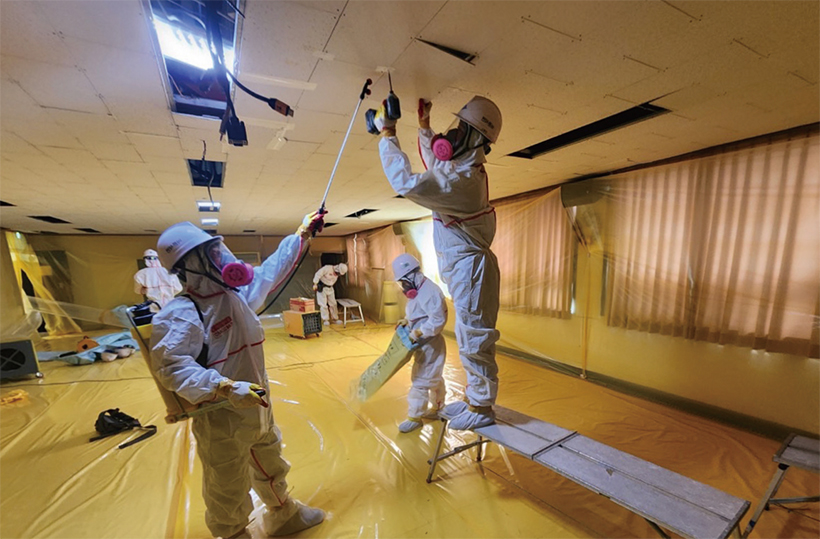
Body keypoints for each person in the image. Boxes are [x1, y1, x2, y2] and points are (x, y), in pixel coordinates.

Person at [150, 211, 326, 539]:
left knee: (270, 458)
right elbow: (172, 367)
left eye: (218, 251)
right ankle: (233, 534)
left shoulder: (235, 296)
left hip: (258, 402)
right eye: (212, 254)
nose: (221, 258)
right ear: (192, 263)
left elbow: (271, 271)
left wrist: (302, 234)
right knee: (226, 480)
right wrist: (225, 387)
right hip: (222, 415)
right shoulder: (181, 314)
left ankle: (282, 513)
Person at [374, 95, 502, 431]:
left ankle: (483, 406)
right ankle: (476, 399)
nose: (455, 134)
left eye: (463, 129)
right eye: (457, 126)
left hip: (470, 269)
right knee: (468, 333)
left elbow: (410, 183)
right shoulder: (460, 169)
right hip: (464, 269)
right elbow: (437, 166)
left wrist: (388, 135)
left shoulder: (463, 183)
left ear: (478, 139)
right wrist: (425, 127)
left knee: (475, 337)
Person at [392, 253, 447, 433]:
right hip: (423, 343)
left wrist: (419, 331)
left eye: (404, 282)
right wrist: (408, 321)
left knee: (420, 381)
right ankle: (439, 407)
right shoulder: (419, 290)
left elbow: (437, 320)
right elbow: (417, 312)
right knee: (433, 377)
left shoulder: (431, 292)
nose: (403, 287)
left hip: (431, 344)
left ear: (412, 275)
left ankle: (415, 417)